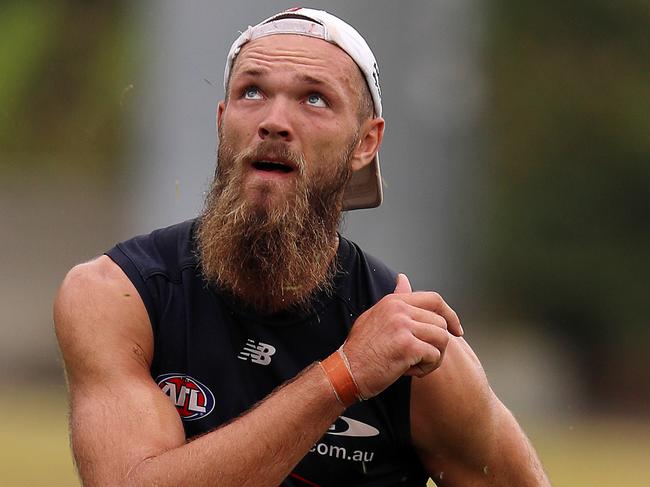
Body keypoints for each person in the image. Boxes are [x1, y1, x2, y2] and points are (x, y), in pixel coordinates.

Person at [54, 7, 550, 487]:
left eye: (314, 99)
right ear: (222, 119)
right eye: (252, 92)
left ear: (365, 142)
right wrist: (344, 375)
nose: (273, 121)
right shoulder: (118, 296)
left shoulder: (419, 358)